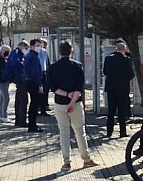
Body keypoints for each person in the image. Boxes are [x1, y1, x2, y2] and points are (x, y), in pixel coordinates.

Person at [48, 41, 100, 171]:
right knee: (79, 131)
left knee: (64, 132)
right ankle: (86, 159)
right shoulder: (77, 66)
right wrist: (72, 102)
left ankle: (66, 162)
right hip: (75, 103)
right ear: (71, 51)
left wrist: (66, 95)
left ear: (59, 52)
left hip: (60, 103)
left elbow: (53, 88)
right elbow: (79, 87)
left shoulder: (53, 67)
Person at [102, 42, 135, 138]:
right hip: (123, 89)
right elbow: (131, 74)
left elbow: (105, 72)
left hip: (111, 88)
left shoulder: (108, 59)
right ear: (124, 50)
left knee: (111, 111)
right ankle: (122, 132)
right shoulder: (127, 60)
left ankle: (109, 132)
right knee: (122, 111)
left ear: (116, 49)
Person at [23, 39, 45, 132]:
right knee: (34, 104)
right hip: (33, 83)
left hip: (29, 82)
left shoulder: (29, 55)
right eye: (37, 45)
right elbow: (35, 72)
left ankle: (32, 124)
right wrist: (40, 85)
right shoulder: (33, 57)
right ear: (32, 46)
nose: (39, 47)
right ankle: (32, 125)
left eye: (40, 45)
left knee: (33, 104)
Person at [7, 41, 29, 127]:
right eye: (25, 48)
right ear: (22, 46)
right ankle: (21, 120)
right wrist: (24, 64)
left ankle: (19, 120)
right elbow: (15, 63)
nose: (26, 50)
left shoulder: (17, 53)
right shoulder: (16, 53)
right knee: (23, 100)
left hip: (19, 78)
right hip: (20, 78)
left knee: (20, 99)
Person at [0, 45, 12, 122]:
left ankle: (2, 115)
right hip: (1, 80)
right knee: (6, 98)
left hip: (4, 80)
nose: (6, 52)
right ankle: (4, 115)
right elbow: (3, 69)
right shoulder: (0, 59)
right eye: (5, 50)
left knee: (2, 98)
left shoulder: (4, 59)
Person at [38, 38, 51, 116]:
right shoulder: (34, 52)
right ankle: (38, 107)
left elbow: (47, 63)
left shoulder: (45, 52)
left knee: (45, 91)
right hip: (37, 73)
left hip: (44, 73)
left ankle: (43, 108)